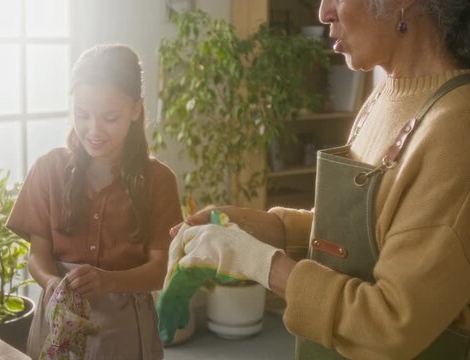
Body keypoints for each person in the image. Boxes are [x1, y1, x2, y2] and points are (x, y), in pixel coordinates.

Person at [171, 0, 470, 358]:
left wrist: (261, 263)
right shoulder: (385, 96)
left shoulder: (456, 127)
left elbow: (391, 324)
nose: (323, 13)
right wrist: (260, 227)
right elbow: (366, 229)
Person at [7, 44, 182, 360]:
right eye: (82, 115)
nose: (93, 130)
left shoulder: (159, 180)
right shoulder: (48, 169)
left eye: (110, 118)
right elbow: (38, 255)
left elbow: (160, 271)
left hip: (125, 329)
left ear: (136, 109)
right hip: (57, 319)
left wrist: (110, 281)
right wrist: (51, 285)